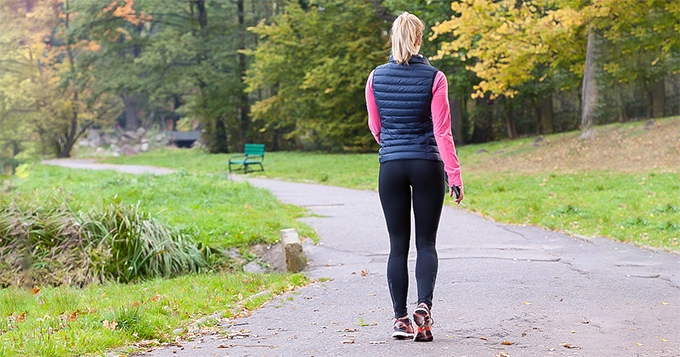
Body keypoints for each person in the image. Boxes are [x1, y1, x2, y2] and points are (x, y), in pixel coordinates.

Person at [365, 12, 464, 342]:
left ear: (392, 39)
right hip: (426, 163)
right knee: (425, 243)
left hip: (390, 166)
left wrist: (393, 148)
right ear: (420, 39)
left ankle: (400, 320)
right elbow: (442, 131)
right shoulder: (435, 77)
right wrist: (455, 174)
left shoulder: (375, 78)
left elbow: (376, 128)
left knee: (397, 247)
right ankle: (423, 309)